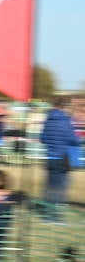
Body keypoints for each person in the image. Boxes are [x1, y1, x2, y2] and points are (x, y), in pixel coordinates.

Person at [39, 95, 78, 224]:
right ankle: (54, 217)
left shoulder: (48, 119)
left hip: (50, 157)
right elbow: (73, 139)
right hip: (62, 157)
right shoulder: (65, 120)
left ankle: (46, 214)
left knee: (50, 187)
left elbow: (43, 138)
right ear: (63, 106)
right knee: (60, 188)